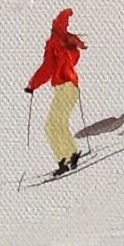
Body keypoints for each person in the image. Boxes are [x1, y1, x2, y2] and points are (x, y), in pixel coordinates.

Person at [25, 9, 87, 176]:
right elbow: (73, 59)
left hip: (64, 87)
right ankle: (71, 153)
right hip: (72, 87)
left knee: (51, 126)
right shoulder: (67, 42)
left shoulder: (54, 43)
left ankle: (65, 159)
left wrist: (32, 85)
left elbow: (47, 68)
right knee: (59, 123)